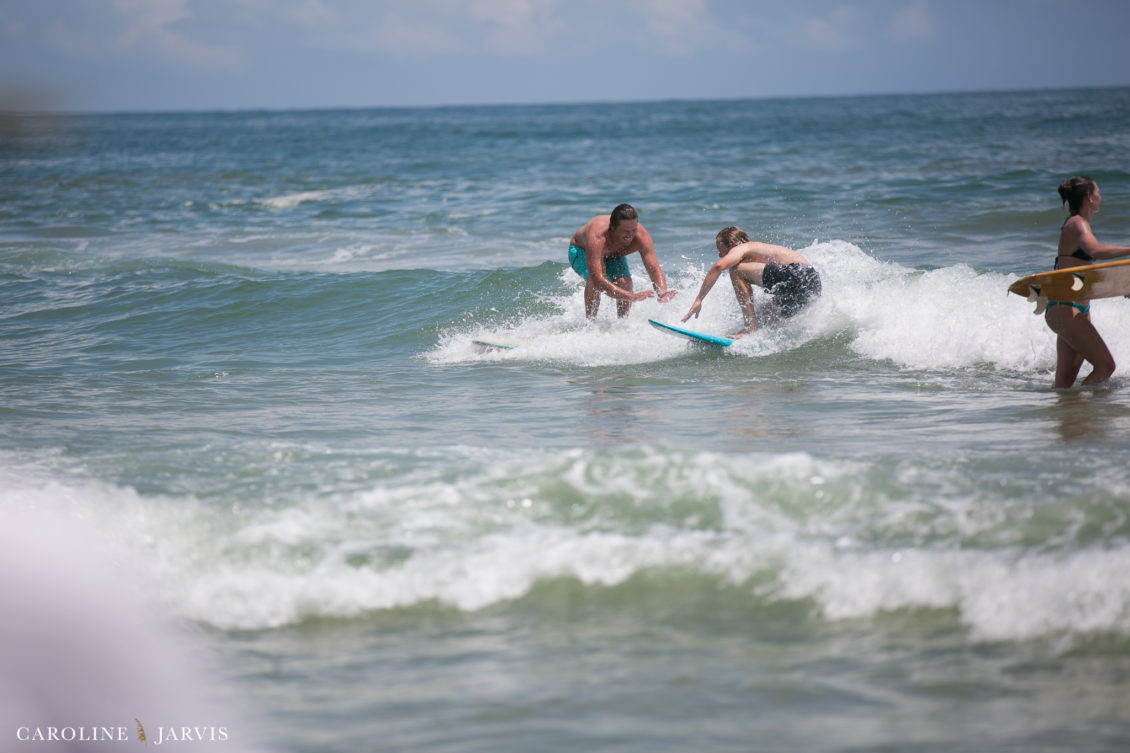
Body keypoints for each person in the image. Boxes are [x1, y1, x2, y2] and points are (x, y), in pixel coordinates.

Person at [1045, 176, 1130, 388]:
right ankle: (1087, 416)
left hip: (1072, 308)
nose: (1100, 197)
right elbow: (1094, 250)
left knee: (1063, 384)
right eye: (1098, 193)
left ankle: (1068, 419)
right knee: (1106, 367)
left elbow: (1085, 275)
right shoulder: (1076, 224)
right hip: (1065, 309)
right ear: (1088, 198)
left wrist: (1122, 286)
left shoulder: (1080, 225)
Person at [681, 226, 821, 336]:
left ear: (731, 243)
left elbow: (718, 267)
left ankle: (749, 329)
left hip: (798, 275)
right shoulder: (757, 251)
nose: (719, 254)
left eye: (721, 249)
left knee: (735, 270)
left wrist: (699, 299)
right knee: (763, 316)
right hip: (811, 285)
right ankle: (758, 335)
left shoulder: (743, 247)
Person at [569, 204, 677, 318]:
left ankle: (622, 324)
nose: (630, 235)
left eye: (633, 229)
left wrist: (662, 292)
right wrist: (631, 296)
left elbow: (654, 268)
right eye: (625, 231)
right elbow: (597, 280)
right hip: (581, 251)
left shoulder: (641, 236)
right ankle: (590, 322)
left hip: (613, 255)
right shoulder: (598, 236)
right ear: (612, 228)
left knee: (624, 282)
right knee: (596, 276)